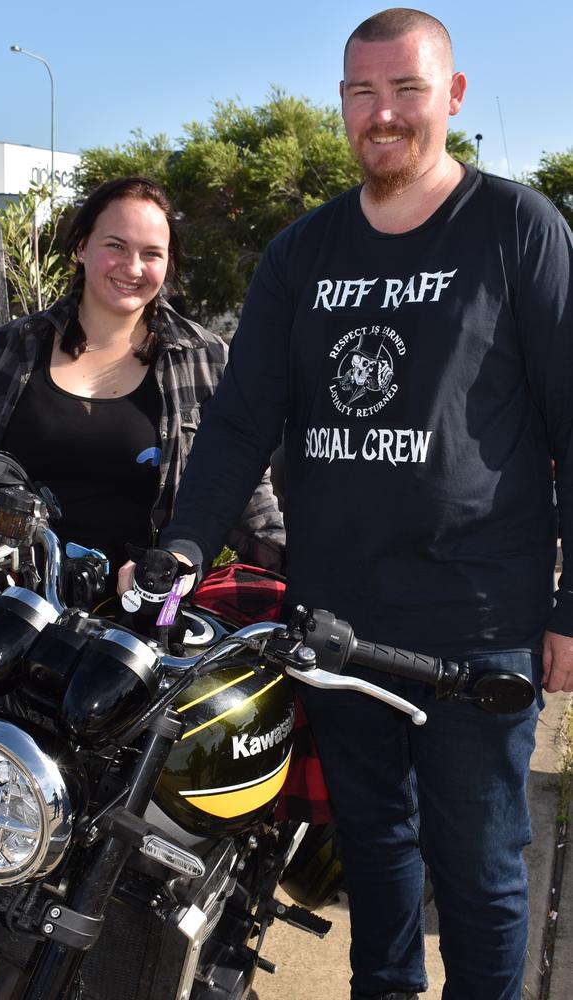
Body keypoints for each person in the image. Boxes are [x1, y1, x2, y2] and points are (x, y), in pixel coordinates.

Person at [120, 10, 573, 1000]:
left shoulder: (514, 228)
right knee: (370, 852)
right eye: (361, 93)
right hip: (330, 617)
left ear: (449, 97)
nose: (382, 115)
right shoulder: (300, 253)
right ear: (340, 104)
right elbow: (240, 425)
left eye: (405, 90)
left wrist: (567, 607)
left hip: (475, 627)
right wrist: (185, 544)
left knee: (482, 874)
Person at [0, 176, 284, 717]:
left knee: (119, 797)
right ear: (81, 247)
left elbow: (240, 487)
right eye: (115, 245)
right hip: (1, 623)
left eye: (151, 253)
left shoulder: (205, 359)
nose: (132, 267)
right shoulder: (5, 350)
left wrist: (303, 562)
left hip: (137, 639)